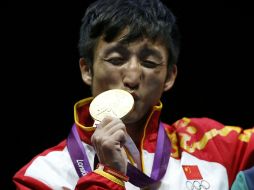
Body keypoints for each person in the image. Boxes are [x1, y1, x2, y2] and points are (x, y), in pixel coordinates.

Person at [13, 0, 254, 189]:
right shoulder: (42, 176)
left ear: (169, 76)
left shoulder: (216, 147)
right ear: (87, 70)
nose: (132, 77)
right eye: (116, 60)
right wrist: (108, 177)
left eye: (149, 62)